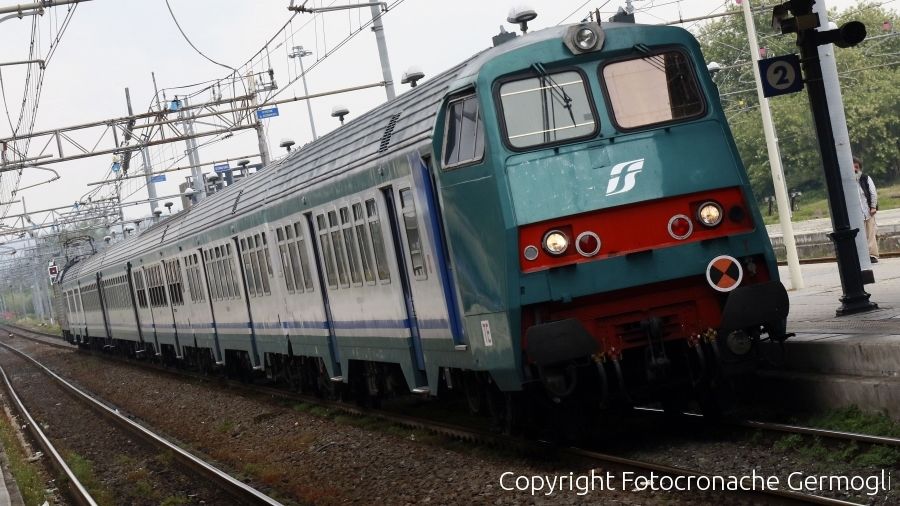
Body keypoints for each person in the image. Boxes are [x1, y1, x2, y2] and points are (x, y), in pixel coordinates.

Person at [853, 156, 879, 263]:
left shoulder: (866, 178)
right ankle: (860, 256)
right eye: (852, 168)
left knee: (870, 234)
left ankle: (872, 255)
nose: (855, 170)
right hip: (855, 215)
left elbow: (873, 193)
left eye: (856, 167)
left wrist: (873, 207)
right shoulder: (847, 182)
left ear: (860, 168)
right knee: (859, 236)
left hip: (868, 212)